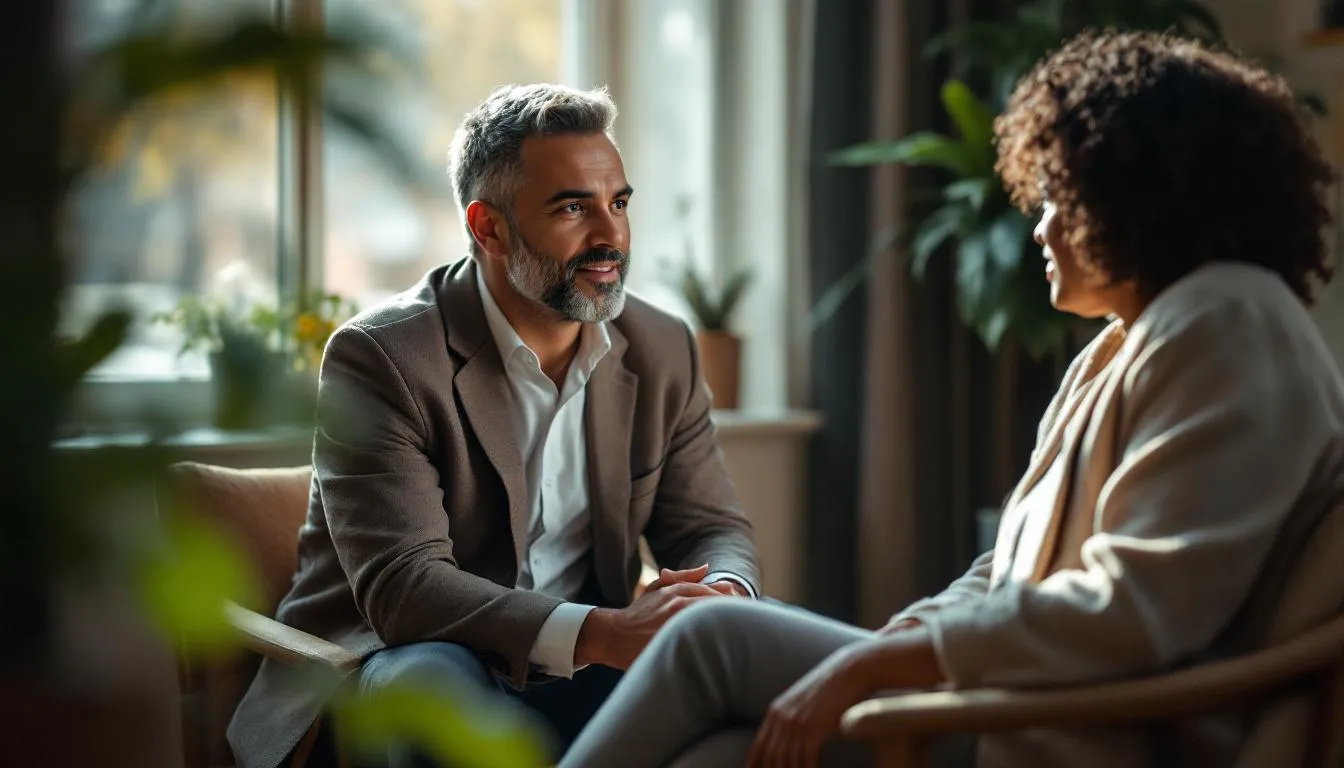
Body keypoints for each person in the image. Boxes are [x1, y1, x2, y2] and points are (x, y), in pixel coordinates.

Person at [559, 30, 1344, 768]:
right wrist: (895, 641)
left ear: (1139, 196)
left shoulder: (1231, 323)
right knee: (720, 757)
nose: (1037, 228)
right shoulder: (1126, 343)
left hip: (1081, 730)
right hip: (1018, 702)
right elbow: (1007, 566)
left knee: (713, 637)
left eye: (1059, 198)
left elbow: (1139, 607)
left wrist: (875, 665)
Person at [226, 83, 762, 768]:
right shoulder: (381, 356)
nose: (611, 237)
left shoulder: (662, 347)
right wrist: (604, 633)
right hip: (398, 665)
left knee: (749, 707)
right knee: (432, 687)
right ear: (489, 228)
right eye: (573, 207)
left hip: (583, 674)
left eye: (618, 202)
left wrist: (719, 597)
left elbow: (710, 525)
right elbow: (405, 586)